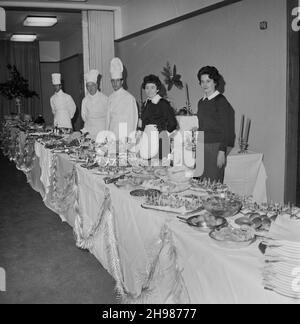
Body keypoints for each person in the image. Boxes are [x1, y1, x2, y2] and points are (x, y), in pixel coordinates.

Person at [196, 66, 235, 183]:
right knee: (200, 183)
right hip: (202, 147)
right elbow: (202, 126)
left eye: (208, 81)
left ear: (215, 82)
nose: (205, 85)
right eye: (202, 82)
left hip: (215, 148)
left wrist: (222, 151)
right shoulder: (201, 102)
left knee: (213, 184)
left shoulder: (221, 101)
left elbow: (227, 129)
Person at [140, 74, 178, 160]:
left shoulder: (163, 103)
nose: (149, 90)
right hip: (147, 140)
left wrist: (164, 133)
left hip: (160, 140)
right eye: (147, 87)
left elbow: (173, 123)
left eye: (152, 87)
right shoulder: (145, 104)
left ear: (157, 89)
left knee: (160, 168)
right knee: (147, 169)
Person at [106, 58, 138, 140]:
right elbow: (108, 119)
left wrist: (130, 137)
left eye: (117, 81)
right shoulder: (110, 97)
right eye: (113, 81)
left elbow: (133, 119)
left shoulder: (129, 98)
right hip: (112, 131)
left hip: (124, 133)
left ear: (122, 81)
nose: (115, 84)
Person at [81, 69, 108, 140]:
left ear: (97, 85)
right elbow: (84, 116)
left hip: (101, 131)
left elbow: (109, 117)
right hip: (88, 131)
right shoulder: (85, 100)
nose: (90, 88)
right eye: (88, 86)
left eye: (92, 85)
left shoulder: (105, 99)